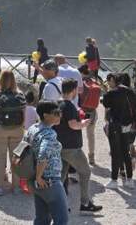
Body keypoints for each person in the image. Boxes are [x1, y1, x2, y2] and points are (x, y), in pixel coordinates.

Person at [53, 79, 102, 213]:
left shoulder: (57, 103)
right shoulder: (69, 106)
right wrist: (84, 124)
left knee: (61, 176)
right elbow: (72, 124)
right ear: (73, 90)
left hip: (60, 145)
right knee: (85, 172)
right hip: (72, 147)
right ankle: (85, 204)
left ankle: (56, 204)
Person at [25, 101, 69, 225]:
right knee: (62, 219)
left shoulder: (32, 129)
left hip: (36, 180)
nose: (59, 115)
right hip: (49, 181)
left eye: (60, 112)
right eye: (56, 113)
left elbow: (22, 150)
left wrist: (34, 178)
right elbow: (43, 155)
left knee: (42, 219)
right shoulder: (49, 134)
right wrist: (39, 177)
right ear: (45, 115)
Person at [0, 70, 26, 195]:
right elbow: (23, 113)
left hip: (1, 129)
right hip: (17, 129)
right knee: (15, 158)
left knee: (0, 158)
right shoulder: (20, 94)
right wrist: (21, 126)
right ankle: (16, 187)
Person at [102, 73, 136, 189]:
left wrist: (106, 91)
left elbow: (106, 104)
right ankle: (130, 179)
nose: (108, 82)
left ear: (112, 80)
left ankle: (114, 180)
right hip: (127, 125)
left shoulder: (112, 93)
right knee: (126, 152)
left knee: (115, 153)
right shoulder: (130, 91)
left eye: (108, 80)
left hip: (115, 125)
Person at [79, 65, 101, 165]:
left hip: (83, 112)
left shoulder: (80, 83)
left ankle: (77, 157)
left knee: (77, 132)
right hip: (93, 112)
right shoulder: (95, 82)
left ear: (82, 73)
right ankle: (91, 157)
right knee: (91, 135)